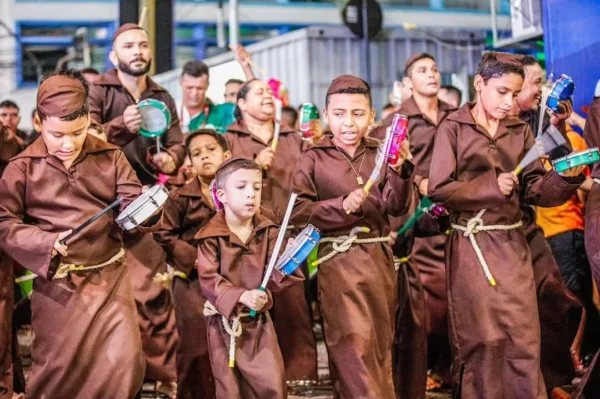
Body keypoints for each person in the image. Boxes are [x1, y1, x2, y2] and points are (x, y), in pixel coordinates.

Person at [428, 52, 585, 399]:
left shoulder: (519, 130)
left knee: (522, 334)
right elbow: (438, 188)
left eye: (514, 94)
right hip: (471, 246)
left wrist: (564, 179)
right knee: (482, 337)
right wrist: (488, 187)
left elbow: (534, 189)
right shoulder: (453, 127)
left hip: (512, 245)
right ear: (479, 84)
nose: (509, 102)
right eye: (501, 92)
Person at [0, 69, 153, 398]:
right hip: (58, 286)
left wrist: (148, 208)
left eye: (78, 132)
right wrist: (42, 243)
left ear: (88, 120)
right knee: (59, 374)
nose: (68, 144)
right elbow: (4, 221)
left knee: (124, 364)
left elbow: (132, 208)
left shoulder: (110, 156)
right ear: (39, 123)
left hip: (110, 280)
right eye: (58, 135)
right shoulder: (21, 167)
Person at [291, 75, 414, 398]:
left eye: (358, 114)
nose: (349, 123)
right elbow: (297, 213)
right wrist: (340, 205)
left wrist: (401, 172)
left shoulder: (381, 154)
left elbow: (397, 207)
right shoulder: (312, 158)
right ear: (326, 115)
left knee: (378, 345)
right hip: (338, 265)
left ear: (372, 117)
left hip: (379, 263)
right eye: (340, 113)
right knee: (352, 343)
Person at [89, 23, 183, 395]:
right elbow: (86, 137)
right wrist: (118, 126)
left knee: (154, 295)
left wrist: (172, 158)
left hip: (151, 205)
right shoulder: (98, 89)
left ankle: (160, 379)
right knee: (112, 300)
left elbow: (177, 142)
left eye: (143, 44)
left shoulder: (161, 94)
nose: (138, 50)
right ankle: (115, 379)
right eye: (128, 45)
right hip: (107, 206)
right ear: (114, 56)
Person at [375, 52, 458, 396]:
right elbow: (389, 168)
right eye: (422, 71)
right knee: (425, 303)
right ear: (408, 82)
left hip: (453, 213)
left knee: (456, 299)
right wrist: (421, 181)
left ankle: (448, 370)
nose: (432, 74)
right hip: (414, 217)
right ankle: (419, 371)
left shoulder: (457, 117)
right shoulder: (397, 123)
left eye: (435, 69)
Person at [225, 78, 318, 384]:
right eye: (258, 92)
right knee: (253, 309)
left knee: (294, 306)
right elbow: (218, 182)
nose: (267, 95)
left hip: (288, 232)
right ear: (241, 103)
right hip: (247, 238)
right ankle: (253, 378)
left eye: (269, 92)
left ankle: (299, 376)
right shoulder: (230, 139)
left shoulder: (293, 137)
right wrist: (252, 164)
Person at [196, 158, 304, 398]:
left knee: (272, 383)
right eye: (241, 187)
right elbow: (208, 278)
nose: (251, 195)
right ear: (222, 195)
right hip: (223, 324)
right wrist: (241, 295)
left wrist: (291, 258)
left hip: (259, 323)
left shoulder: (270, 231)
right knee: (230, 388)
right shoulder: (211, 236)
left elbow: (276, 278)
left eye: (256, 187)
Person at [510, 54, 586, 395]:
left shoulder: (539, 121)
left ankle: (552, 380)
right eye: (536, 82)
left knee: (555, 302)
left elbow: (558, 168)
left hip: (534, 228)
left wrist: (556, 126)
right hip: (503, 235)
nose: (542, 89)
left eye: (543, 81)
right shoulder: (502, 127)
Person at [155, 129, 232, 399]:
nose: (205, 157)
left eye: (211, 150)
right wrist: (194, 259)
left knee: (233, 344)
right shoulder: (180, 198)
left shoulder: (239, 192)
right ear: (189, 162)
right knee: (196, 345)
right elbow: (164, 234)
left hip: (232, 280)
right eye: (197, 154)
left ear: (227, 155)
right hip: (192, 282)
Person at [177, 61, 235, 134]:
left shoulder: (219, 112)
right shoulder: (171, 112)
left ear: (207, 85)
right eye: (189, 88)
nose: (194, 93)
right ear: (180, 82)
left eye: (199, 88)